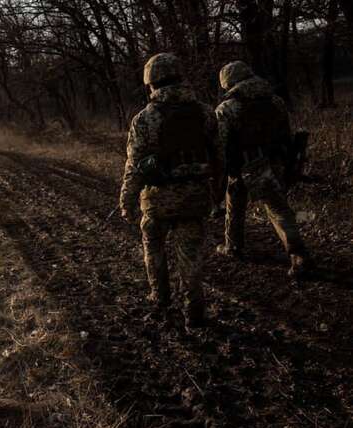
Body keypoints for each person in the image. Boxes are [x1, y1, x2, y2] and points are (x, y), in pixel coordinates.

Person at [119, 53, 224, 329]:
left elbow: (134, 167)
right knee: (190, 256)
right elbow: (219, 156)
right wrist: (217, 193)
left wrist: (127, 200)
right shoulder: (205, 112)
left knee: (153, 248)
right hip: (195, 197)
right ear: (179, 76)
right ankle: (194, 311)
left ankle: (160, 299)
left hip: (157, 201)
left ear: (150, 82)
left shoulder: (144, 119)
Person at [215, 61, 310, 277]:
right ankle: (296, 254)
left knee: (237, 204)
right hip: (275, 162)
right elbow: (286, 134)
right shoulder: (275, 101)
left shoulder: (227, 108)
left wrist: (225, 170)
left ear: (229, 83)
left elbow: (220, 144)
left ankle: (298, 255)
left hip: (245, 165)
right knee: (277, 208)